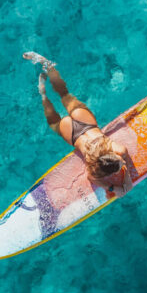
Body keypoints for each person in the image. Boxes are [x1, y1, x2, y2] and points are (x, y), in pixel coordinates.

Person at [23, 52, 134, 198]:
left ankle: (45, 63)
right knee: (54, 121)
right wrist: (114, 187)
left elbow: (122, 162)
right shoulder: (94, 166)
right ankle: (42, 93)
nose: (122, 162)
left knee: (64, 93)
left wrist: (125, 177)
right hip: (72, 134)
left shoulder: (117, 149)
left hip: (85, 121)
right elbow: (92, 178)